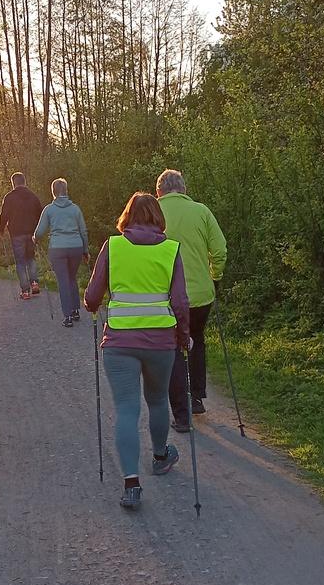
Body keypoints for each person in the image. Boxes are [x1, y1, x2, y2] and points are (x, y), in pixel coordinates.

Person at [84, 192, 190, 510]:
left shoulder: (112, 246)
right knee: (157, 401)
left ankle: (131, 484)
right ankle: (160, 457)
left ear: (127, 217)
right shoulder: (171, 250)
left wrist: (91, 305)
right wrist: (184, 338)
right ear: (158, 218)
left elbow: (92, 295)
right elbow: (181, 303)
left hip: (119, 344)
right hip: (160, 343)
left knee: (127, 410)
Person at [156, 168, 227, 432]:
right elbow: (219, 250)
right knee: (197, 339)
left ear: (159, 192)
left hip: (165, 295)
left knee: (173, 346)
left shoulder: (153, 212)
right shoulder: (202, 211)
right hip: (200, 294)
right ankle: (196, 396)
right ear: (184, 189)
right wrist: (214, 277)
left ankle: (180, 406)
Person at [34, 178, 89, 328]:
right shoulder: (75, 209)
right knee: (72, 277)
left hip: (57, 248)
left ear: (53, 192)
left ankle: (68, 316)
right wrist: (85, 250)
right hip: (76, 246)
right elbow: (83, 231)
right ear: (66, 191)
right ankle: (76, 309)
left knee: (63, 280)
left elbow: (39, 232)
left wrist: (35, 238)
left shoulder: (49, 210)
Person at [0, 172, 43, 300]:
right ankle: (34, 282)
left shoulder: (9, 197)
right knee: (31, 258)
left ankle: (25, 291)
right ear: (25, 181)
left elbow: (4, 215)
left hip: (16, 233)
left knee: (20, 261)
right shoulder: (33, 196)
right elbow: (40, 213)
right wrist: (38, 230)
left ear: (13, 183)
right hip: (31, 232)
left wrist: (1, 229)